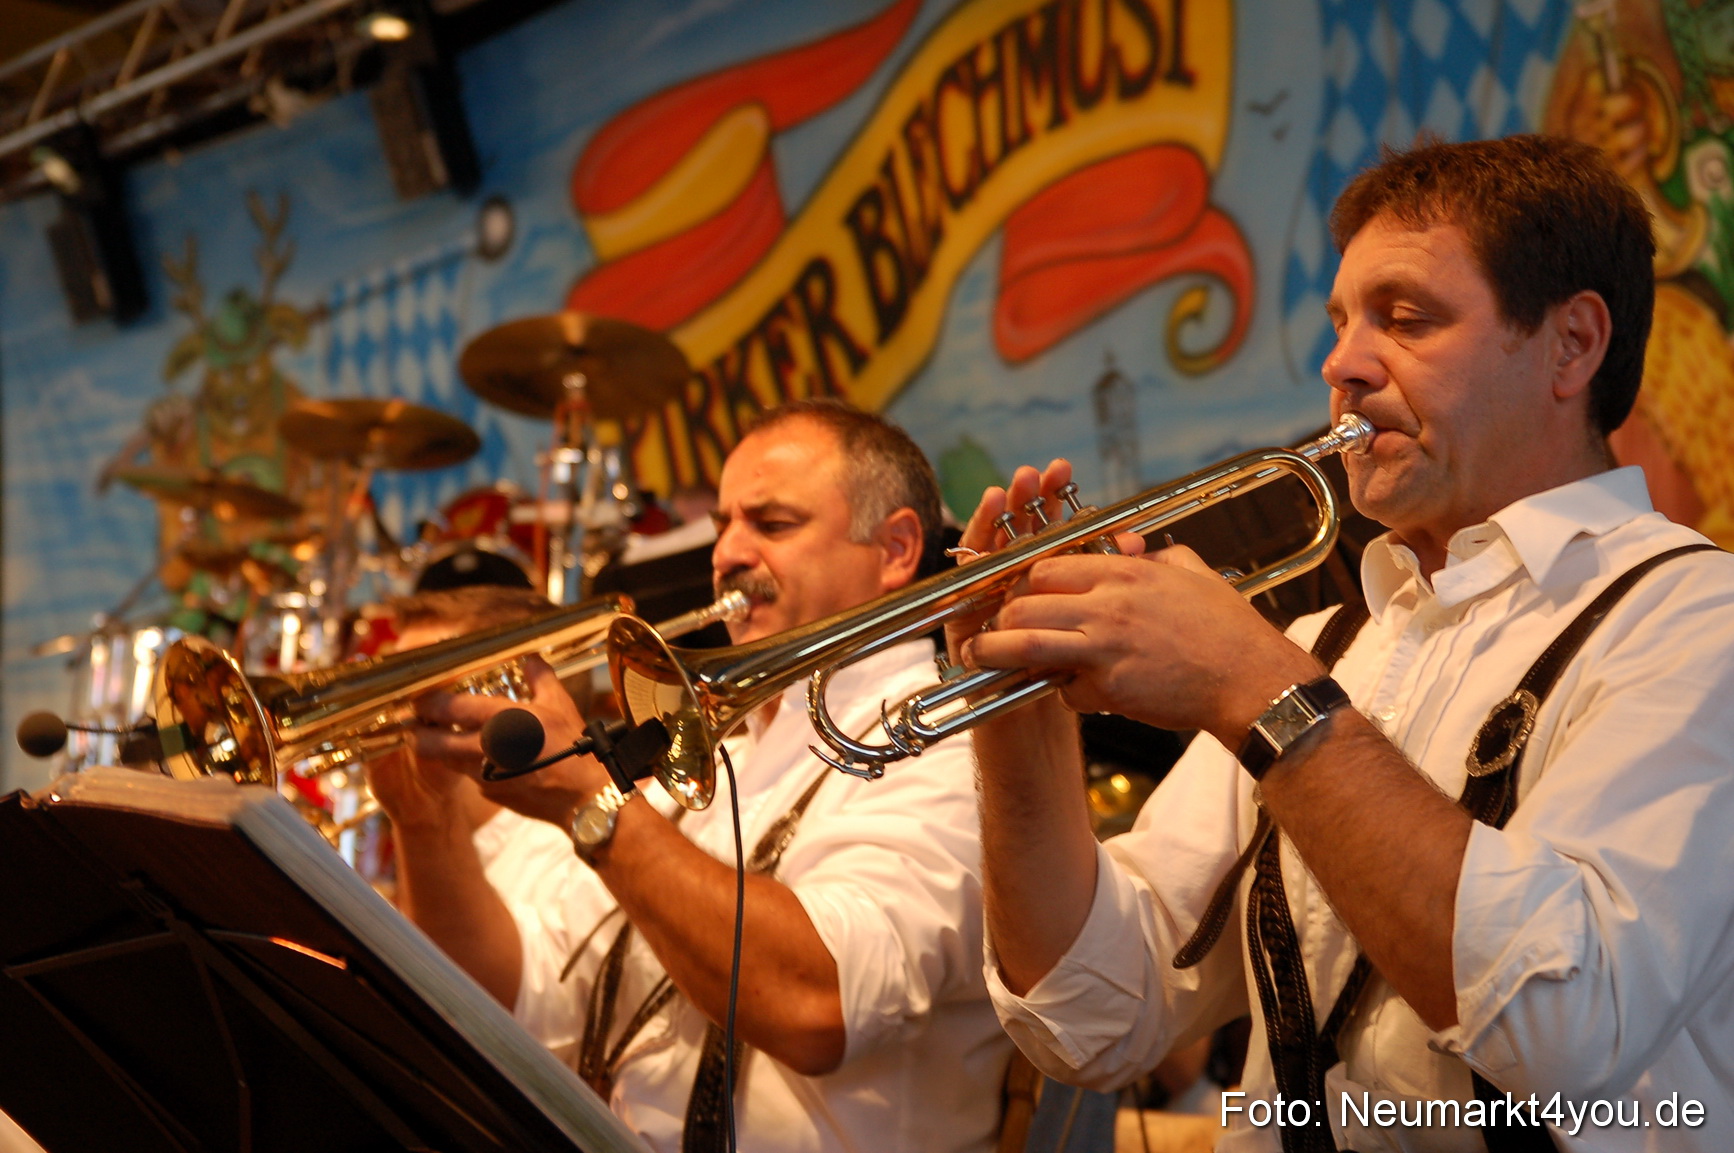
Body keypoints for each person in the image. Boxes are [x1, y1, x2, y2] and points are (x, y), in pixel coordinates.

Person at [962, 134, 1734, 1152]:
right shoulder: (1336, 638)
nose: (1342, 364)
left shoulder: (1696, 620)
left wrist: (1257, 685)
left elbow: (1567, 1021)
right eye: (1341, 323)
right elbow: (1097, 1011)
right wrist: (1014, 705)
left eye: (1406, 319)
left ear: (1572, 345)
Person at [380, 400, 1013, 1153]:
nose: (728, 554)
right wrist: (426, 824)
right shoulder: (728, 753)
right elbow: (518, 997)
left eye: (772, 524)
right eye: (722, 525)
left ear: (897, 547)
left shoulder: (945, 744)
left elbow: (821, 1003)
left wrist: (595, 804)